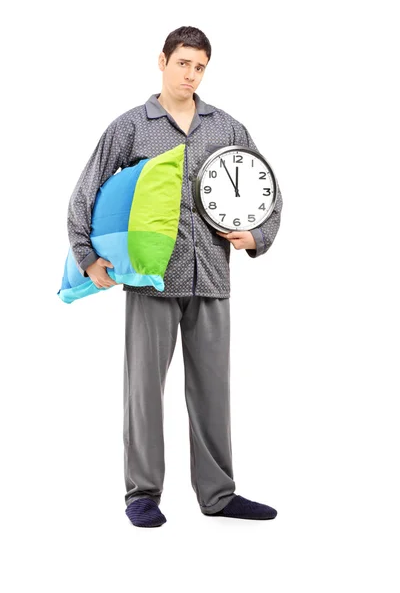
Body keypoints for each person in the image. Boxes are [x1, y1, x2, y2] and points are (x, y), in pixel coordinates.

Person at [67, 26, 283, 527]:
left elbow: (267, 187)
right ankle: (142, 493)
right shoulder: (130, 127)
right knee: (144, 388)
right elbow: (85, 192)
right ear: (162, 61)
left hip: (211, 275)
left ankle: (219, 494)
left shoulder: (226, 127)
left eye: (200, 66)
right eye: (183, 62)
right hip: (150, 278)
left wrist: (258, 236)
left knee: (213, 388)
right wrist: (87, 257)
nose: (190, 73)